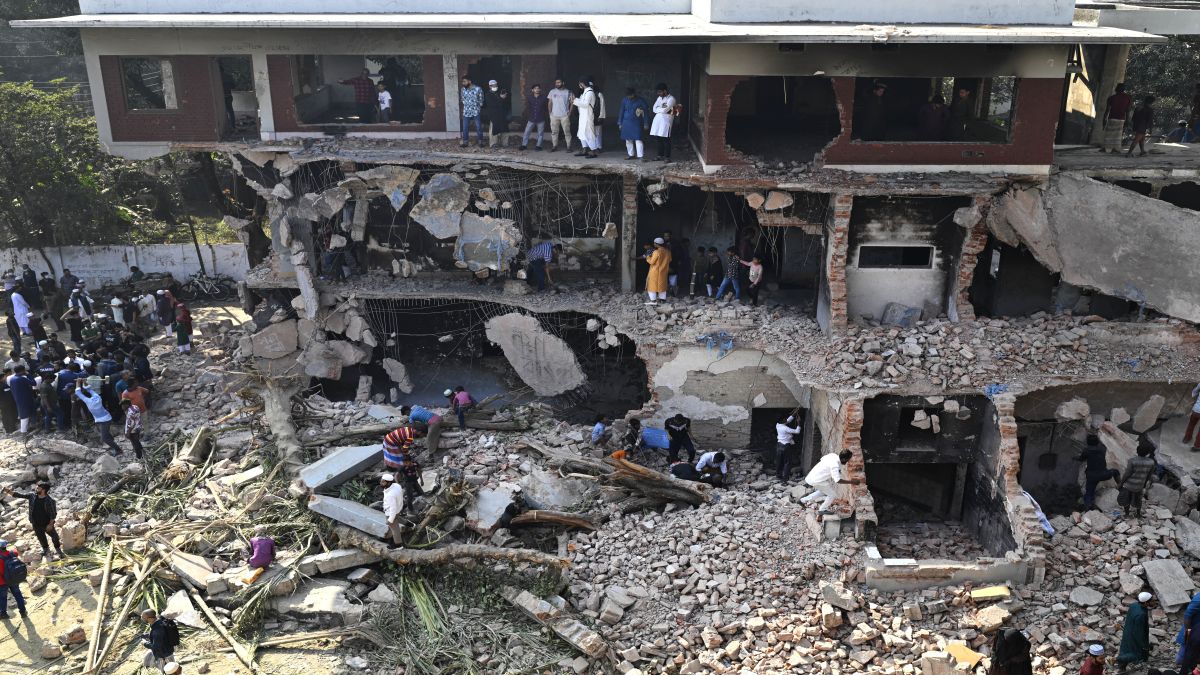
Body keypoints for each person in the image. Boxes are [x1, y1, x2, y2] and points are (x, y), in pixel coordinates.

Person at [4, 482, 63, 561]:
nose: (36, 488)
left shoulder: (50, 501)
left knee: (55, 537)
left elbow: (53, 514)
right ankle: (46, 550)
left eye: (38, 488)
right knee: (41, 538)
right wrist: (8, 491)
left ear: (43, 490)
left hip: (47, 523)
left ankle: (58, 549)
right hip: (36, 523)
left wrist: (50, 524)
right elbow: (19, 495)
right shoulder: (32, 496)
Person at [76, 381, 121, 456]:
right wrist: (84, 381)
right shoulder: (97, 397)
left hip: (103, 421)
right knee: (106, 434)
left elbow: (78, 392)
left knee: (104, 438)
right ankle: (112, 443)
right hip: (107, 418)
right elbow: (89, 389)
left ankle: (118, 449)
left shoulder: (88, 401)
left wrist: (78, 381)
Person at [1077, 433, 1119, 511]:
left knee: (1089, 492)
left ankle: (1088, 508)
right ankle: (1120, 486)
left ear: (1087, 442)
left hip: (1092, 476)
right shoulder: (1102, 449)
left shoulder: (1086, 450)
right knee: (1115, 471)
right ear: (1097, 442)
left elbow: (1081, 459)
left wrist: (1075, 457)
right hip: (1104, 474)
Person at [1118, 438, 1157, 517]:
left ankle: (1127, 514)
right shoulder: (1151, 462)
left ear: (1137, 451)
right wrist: (1144, 484)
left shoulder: (1132, 461)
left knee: (1126, 499)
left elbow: (1127, 474)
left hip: (1129, 485)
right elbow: (1149, 475)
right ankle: (1138, 514)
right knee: (1138, 499)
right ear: (1148, 453)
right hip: (1139, 485)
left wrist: (1121, 483)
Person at [1117, 592, 1153, 671]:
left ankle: (1121, 666)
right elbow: (1139, 632)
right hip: (1134, 634)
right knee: (1136, 653)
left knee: (1125, 648)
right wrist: (1143, 645)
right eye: (1151, 601)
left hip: (1128, 630)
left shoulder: (1134, 605)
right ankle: (1118, 660)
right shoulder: (1141, 614)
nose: (1152, 602)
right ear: (1146, 602)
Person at [618, 87, 650, 161]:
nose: (629, 97)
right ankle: (631, 155)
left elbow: (646, 112)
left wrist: (646, 123)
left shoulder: (641, 100)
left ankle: (640, 156)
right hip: (626, 122)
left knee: (638, 139)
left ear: (634, 94)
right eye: (627, 95)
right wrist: (620, 123)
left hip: (637, 122)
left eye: (630, 95)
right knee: (628, 140)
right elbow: (621, 111)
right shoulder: (624, 100)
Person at [1102, 83, 1133, 153]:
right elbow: (1127, 110)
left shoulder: (1111, 98)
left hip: (1112, 118)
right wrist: (1127, 120)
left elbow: (1107, 110)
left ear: (1116, 89)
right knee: (1118, 135)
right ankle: (1115, 149)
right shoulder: (1128, 98)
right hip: (1121, 118)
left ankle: (1105, 148)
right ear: (1124, 89)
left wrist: (1104, 119)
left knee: (1109, 134)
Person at [573, 77, 600, 158]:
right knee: (581, 133)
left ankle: (593, 151)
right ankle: (584, 150)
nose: (579, 85)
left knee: (588, 133)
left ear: (583, 83)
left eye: (580, 83)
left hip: (588, 116)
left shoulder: (589, 92)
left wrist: (574, 101)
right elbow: (582, 102)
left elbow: (585, 104)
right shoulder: (585, 92)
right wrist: (575, 100)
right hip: (583, 116)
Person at [0, 539, 27, 619]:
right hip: (13, 579)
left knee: (3, 598)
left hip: (2, 582)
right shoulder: (12, 553)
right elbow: (16, 551)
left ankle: (3, 613)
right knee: (18, 595)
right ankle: (23, 612)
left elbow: (1, 572)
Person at [650, 83, 677, 162]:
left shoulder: (671, 99)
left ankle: (667, 157)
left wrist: (659, 109)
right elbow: (654, 108)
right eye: (658, 92)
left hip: (666, 121)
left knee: (666, 139)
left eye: (660, 92)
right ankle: (660, 155)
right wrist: (660, 110)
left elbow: (665, 110)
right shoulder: (659, 98)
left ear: (665, 91)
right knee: (659, 139)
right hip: (658, 121)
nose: (658, 94)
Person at [547, 78, 574, 152]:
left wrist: (570, 113)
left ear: (563, 83)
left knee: (567, 131)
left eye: (559, 82)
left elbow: (572, 103)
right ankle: (554, 146)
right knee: (554, 132)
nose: (557, 84)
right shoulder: (552, 91)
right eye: (556, 83)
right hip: (554, 115)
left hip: (564, 116)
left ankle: (569, 147)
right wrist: (550, 113)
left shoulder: (569, 92)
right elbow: (550, 102)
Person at [519, 83, 548, 151]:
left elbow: (546, 108)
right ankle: (524, 145)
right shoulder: (529, 98)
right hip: (531, 118)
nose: (537, 90)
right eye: (535, 88)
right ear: (532, 90)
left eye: (538, 88)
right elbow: (527, 107)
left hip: (541, 118)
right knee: (527, 132)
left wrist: (545, 115)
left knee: (540, 133)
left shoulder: (544, 98)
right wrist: (528, 115)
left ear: (540, 89)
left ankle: (539, 146)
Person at [482, 79, 510, 148]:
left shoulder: (498, 93)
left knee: (504, 129)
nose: (495, 86)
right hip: (493, 115)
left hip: (502, 114)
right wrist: (501, 98)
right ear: (489, 86)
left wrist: (504, 98)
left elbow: (504, 103)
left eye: (495, 85)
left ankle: (505, 143)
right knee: (493, 130)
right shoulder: (488, 94)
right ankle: (493, 144)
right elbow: (493, 104)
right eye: (493, 85)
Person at [643, 237, 671, 305]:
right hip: (663, 271)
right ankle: (662, 300)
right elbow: (670, 260)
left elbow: (652, 262)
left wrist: (648, 257)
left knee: (651, 286)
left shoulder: (656, 252)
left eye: (654, 243)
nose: (653, 244)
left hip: (655, 272)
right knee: (662, 286)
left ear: (656, 244)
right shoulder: (668, 251)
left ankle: (653, 301)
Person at [380, 473, 407, 544]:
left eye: (383, 482)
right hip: (399, 508)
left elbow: (393, 509)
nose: (381, 483)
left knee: (395, 529)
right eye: (381, 481)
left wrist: (390, 520)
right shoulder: (397, 485)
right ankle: (410, 524)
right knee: (397, 518)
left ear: (388, 483)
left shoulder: (390, 495)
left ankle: (398, 545)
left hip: (391, 513)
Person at [8, 365, 35, 433]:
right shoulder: (22, 378)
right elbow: (34, 383)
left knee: (23, 414)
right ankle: (24, 431)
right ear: (22, 371)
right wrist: (29, 375)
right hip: (25, 399)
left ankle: (26, 428)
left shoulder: (12, 379)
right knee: (25, 415)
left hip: (17, 398)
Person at [459, 76, 485, 148]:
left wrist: (478, 106)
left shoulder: (478, 89)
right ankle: (465, 142)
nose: (463, 83)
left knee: (478, 126)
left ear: (469, 81)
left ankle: (480, 142)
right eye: (462, 82)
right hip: (466, 111)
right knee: (465, 127)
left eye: (464, 81)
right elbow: (462, 98)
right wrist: (467, 104)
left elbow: (481, 99)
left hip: (476, 111)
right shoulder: (463, 89)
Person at [775, 415, 802, 481]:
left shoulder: (778, 425)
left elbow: (787, 420)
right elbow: (797, 432)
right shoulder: (785, 428)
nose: (786, 420)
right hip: (786, 446)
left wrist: (793, 415)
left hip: (779, 445)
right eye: (785, 419)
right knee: (787, 462)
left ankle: (778, 475)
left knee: (779, 461)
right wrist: (798, 423)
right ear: (783, 421)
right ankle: (785, 478)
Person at [1185, 382, 1200, 451]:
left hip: (1196, 410)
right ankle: (1196, 446)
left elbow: (1194, 392)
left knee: (1191, 424)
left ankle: (1187, 438)